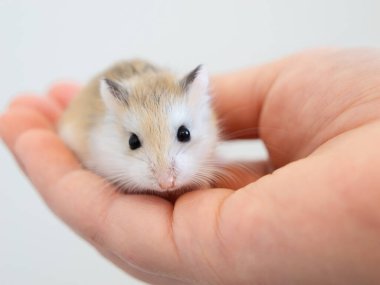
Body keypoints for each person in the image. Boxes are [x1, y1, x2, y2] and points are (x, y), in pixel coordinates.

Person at [1, 48, 380, 284]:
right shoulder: (101, 127)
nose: (166, 175)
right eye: (135, 143)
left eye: (182, 136)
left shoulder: (202, 112)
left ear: (200, 107)